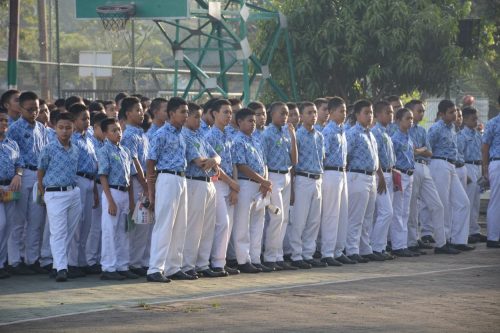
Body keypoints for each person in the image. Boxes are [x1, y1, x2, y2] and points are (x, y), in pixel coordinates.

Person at [147, 97, 191, 282]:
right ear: (171, 113)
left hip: (181, 178)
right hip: (166, 177)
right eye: (182, 112)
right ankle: (155, 268)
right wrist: (151, 190)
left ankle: (174, 266)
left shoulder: (183, 134)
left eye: (187, 112)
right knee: (164, 224)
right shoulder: (161, 133)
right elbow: (150, 161)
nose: (186, 116)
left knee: (180, 225)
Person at [406, 100, 457, 254]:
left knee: (437, 205)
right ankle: (412, 241)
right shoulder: (402, 130)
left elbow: (429, 152)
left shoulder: (421, 131)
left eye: (422, 111)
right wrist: (419, 150)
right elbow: (408, 151)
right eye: (418, 111)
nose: (421, 114)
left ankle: (442, 243)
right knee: (412, 207)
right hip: (412, 167)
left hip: (424, 167)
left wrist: (419, 150)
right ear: (409, 112)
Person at [7, 91, 49, 275]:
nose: (33, 113)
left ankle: (32, 259)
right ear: (20, 108)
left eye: (36, 109)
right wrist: (19, 174)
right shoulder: (14, 129)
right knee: (18, 220)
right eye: (30, 109)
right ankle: (14, 260)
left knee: (36, 220)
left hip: (39, 176)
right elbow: (14, 158)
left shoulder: (42, 128)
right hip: (22, 176)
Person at [37, 112, 82, 282]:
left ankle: (57, 265)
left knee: (69, 231)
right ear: (54, 128)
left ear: (73, 129)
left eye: (68, 128)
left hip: (73, 192)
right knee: (58, 232)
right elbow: (40, 170)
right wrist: (42, 190)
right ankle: (62, 268)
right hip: (55, 193)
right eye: (61, 128)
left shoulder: (76, 149)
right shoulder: (48, 148)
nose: (64, 131)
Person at [181, 102, 224, 278]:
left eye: (200, 116)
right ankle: (188, 264)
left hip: (208, 182)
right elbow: (200, 162)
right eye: (195, 116)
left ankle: (203, 263)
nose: (199, 120)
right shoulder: (184, 135)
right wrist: (212, 162)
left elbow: (216, 157)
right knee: (194, 226)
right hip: (194, 182)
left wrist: (214, 161)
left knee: (207, 226)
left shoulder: (200, 135)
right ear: (186, 118)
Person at [428, 100, 473, 251]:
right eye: (451, 112)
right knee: (443, 205)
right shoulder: (436, 128)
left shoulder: (453, 128)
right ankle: (442, 242)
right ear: (441, 114)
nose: (454, 114)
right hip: (439, 164)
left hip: (452, 165)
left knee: (463, 202)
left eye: (455, 111)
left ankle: (459, 240)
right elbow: (428, 148)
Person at [96, 117, 138, 281]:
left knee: (123, 231)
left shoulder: (125, 151)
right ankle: (108, 266)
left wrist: (132, 200)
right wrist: (110, 201)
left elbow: (130, 178)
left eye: (119, 129)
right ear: (105, 133)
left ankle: (122, 265)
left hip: (125, 193)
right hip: (112, 192)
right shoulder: (104, 150)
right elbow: (103, 176)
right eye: (113, 130)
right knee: (110, 230)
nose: (118, 133)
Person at [231, 108, 271, 273]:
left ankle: (255, 258)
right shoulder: (238, 140)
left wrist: (265, 182)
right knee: (243, 223)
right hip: (246, 183)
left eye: (254, 121)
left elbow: (264, 163)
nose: (253, 124)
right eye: (249, 121)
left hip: (259, 185)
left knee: (258, 222)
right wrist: (262, 180)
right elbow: (241, 165)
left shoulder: (256, 139)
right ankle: (243, 259)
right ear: (239, 122)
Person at [204, 99, 240, 275]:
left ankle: (221, 261)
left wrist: (234, 186)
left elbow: (232, 162)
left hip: (229, 184)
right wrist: (230, 182)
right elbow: (214, 166)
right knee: (221, 223)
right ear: (214, 114)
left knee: (229, 224)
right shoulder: (209, 136)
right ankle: (215, 262)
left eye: (230, 112)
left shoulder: (229, 135)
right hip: (217, 183)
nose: (228, 115)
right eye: (225, 112)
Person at [288, 101, 326, 269]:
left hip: (317, 179)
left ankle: (308, 254)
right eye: (309, 113)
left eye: (315, 112)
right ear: (301, 116)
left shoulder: (320, 136)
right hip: (303, 178)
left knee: (313, 220)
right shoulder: (297, 135)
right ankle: (296, 255)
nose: (313, 115)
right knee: (299, 219)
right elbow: (293, 162)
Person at [261, 102, 297, 271]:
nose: (285, 117)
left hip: (286, 174)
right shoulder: (266, 134)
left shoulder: (286, 133)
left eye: (287, 114)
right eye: (282, 113)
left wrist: (293, 137)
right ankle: (269, 256)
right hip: (273, 176)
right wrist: (265, 181)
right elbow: (264, 160)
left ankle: (278, 255)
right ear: (272, 114)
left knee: (284, 218)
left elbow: (294, 160)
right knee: (276, 216)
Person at [64, 104, 98, 277]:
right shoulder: (72, 140)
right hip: (78, 180)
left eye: (88, 119)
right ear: (74, 120)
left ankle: (82, 260)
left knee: (87, 224)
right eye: (83, 119)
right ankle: (71, 262)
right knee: (77, 223)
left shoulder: (89, 138)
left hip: (90, 181)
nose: (87, 122)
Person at [320, 97, 355, 265]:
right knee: (331, 214)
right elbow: (323, 155)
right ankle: (327, 252)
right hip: (331, 173)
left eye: (345, 111)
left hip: (342, 173)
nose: (344, 114)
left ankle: (338, 250)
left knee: (342, 213)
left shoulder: (342, 131)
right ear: (331, 112)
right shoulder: (328, 131)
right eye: (341, 111)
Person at [119, 97, 150, 276]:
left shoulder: (142, 134)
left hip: (146, 182)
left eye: (142, 110)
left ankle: (140, 261)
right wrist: (145, 185)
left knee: (145, 224)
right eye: (137, 110)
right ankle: (131, 262)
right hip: (137, 183)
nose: (141, 113)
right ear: (128, 113)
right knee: (135, 223)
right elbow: (133, 162)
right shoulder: (129, 135)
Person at [345, 100, 379, 264]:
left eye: (371, 112)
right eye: (366, 112)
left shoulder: (370, 133)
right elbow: (346, 156)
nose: (369, 116)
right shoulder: (352, 133)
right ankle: (352, 249)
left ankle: (365, 249)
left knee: (368, 216)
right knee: (356, 216)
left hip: (371, 176)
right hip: (357, 176)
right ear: (357, 115)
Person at [370, 101, 396, 260]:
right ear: (378, 115)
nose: (391, 115)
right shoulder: (376, 132)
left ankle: (379, 246)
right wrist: (380, 176)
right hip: (380, 175)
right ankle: (376, 247)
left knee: (383, 213)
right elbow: (376, 156)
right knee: (387, 212)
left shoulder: (386, 132)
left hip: (389, 173)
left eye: (392, 112)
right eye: (387, 112)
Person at [390, 108, 418, 257]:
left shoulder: (409, 137)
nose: (411, 121)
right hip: (400, 174)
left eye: (411, 118)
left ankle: (404, 243)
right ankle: (398, 245)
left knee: (406, 211)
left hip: (410, 174)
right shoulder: (395, 138)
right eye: (407, 118)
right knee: (398, 211)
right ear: (398, 120)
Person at [458, 107, 487, 243]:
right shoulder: (462, 135)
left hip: (477, 166)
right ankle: (467, 231)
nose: (475, 121)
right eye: (472, 119)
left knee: (476, 200)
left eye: (476, 119)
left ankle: (474, 230)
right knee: (468, 200)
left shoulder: (477, 135)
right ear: (464, 119)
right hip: (468, 165)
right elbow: (459, 154)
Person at [0, 108, 22, 279]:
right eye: (1, 120)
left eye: (6, 121)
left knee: (8, 227)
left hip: (10, 189)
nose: (4, 124)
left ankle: (2, 263)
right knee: (1, 225)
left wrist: (18, 175)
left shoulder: (12, 143)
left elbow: (19, 163)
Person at [86, 112, 109, 273]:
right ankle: (91, 259)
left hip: (106, 186)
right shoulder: (91, 143)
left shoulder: (105, 143)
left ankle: (100, 257)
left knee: (103, 225)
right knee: (94, 226)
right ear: (95, 128)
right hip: (95, 184)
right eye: (104, 129)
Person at [481, 95, 500, 248]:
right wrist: (485, 168)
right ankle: (493, 238)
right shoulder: (493, 123)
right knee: (496, 200)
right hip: (497, 162)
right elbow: (485, 147)